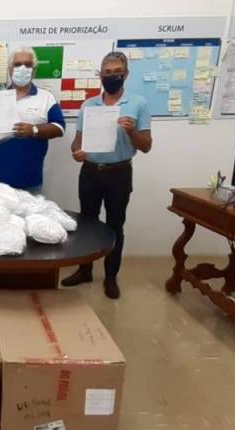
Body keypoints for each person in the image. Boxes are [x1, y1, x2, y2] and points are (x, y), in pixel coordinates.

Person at [61, 51, 153, 299]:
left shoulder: (138, 103)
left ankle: (111, 277)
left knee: (115, 226)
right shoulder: (88, 105)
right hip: (90, 172)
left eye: (118, 73)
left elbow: (146, 146)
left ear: (126, 75)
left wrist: (132, 132)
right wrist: (76, 152)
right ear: (101, 75)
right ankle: (85, 271)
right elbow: (77, 142)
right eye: (108, 73)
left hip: (118, 173)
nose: (112, 77)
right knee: (86, 224)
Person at [0, 47, 66, 193]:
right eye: (17, 64)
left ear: (34, 70)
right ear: (10, 69)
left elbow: (60, 128)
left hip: (30, 180)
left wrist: (34, 130)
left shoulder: (46, 97)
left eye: (28, 65)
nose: (22, 68)